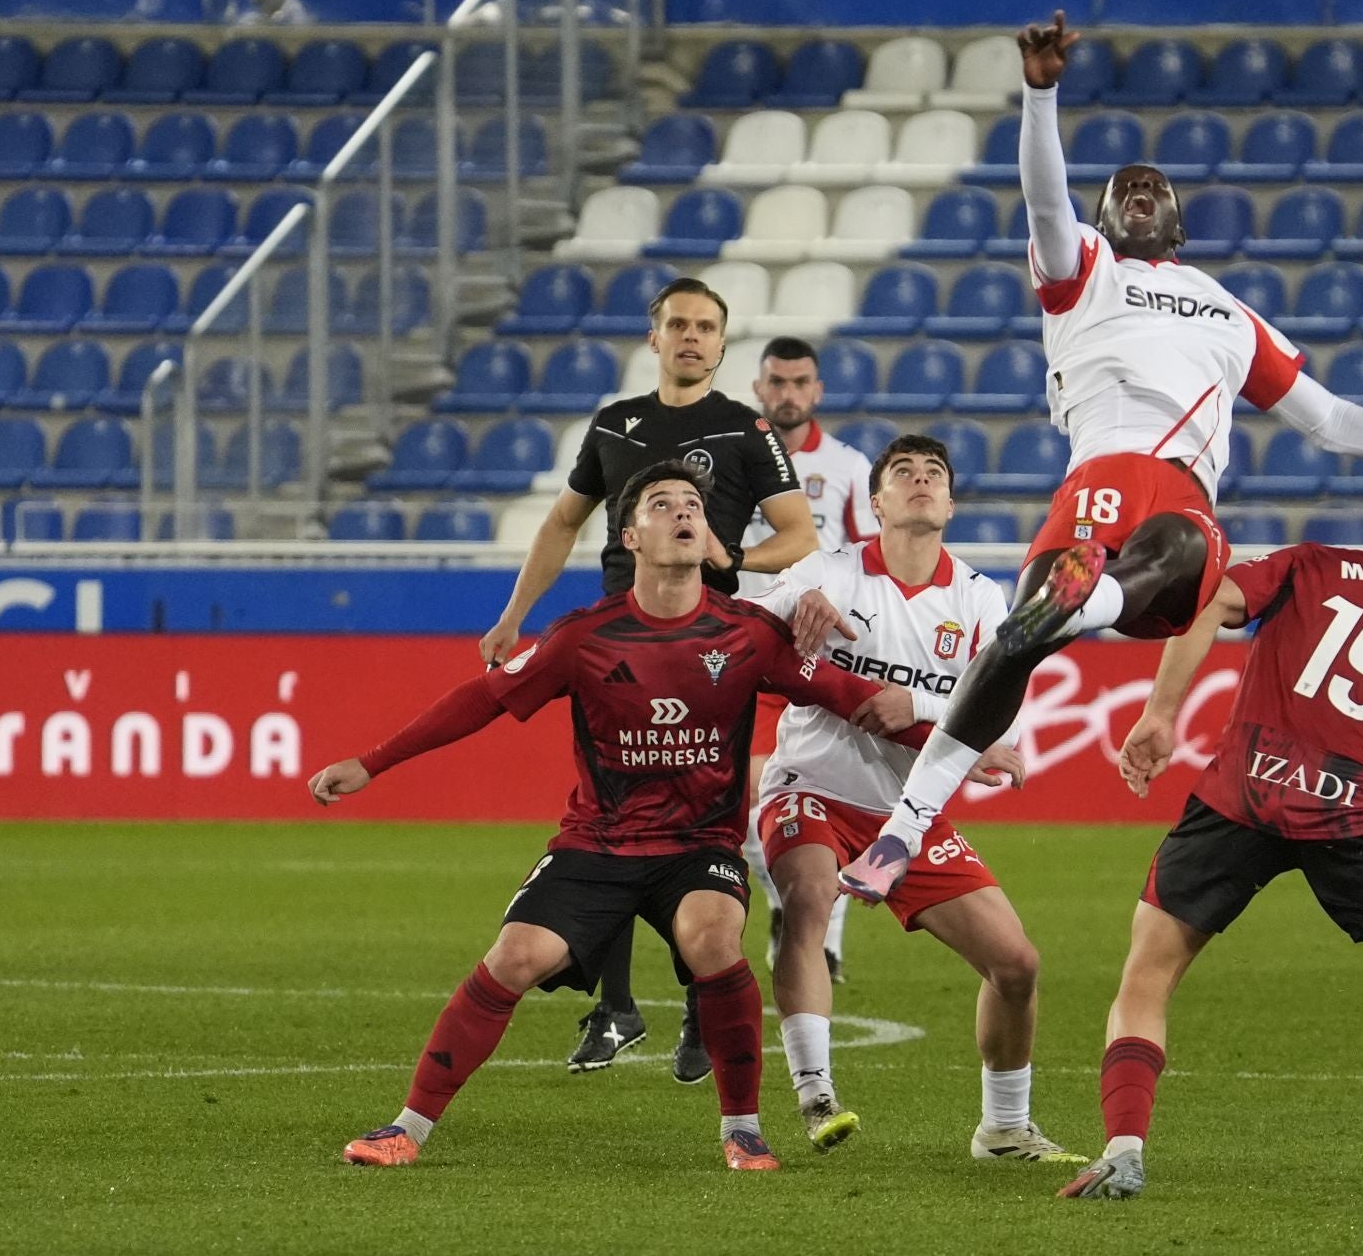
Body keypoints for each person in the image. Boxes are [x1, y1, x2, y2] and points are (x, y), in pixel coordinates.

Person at [838, 11, 1363, 904]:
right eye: (1123, 185)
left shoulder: (1229, 312)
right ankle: (904, 830)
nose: (1138, 190)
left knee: (1175, 540)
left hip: (1178, 506)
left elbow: (1325, 419)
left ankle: (1090, 599)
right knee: (1015, 641)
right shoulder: (1080, 270)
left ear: (1179, 222)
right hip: (1093, 485)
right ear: (1100, 219)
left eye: (1154, 186)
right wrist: (1040, 93)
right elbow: (1043, 197)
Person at [315, 461, 948, 1173]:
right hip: (598, 841)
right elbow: (485, 699)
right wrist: (371, 761)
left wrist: (962, 742)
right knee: (514, 956)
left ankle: (743, 1130)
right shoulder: (585, 635)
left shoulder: (747, 634)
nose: (681, 511)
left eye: (692, 505)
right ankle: (408, 1126)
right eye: (661, 503)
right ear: (631, 536)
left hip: (699, 845)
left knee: (713, 937)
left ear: (708, 536)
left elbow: (854, 697)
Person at [1057, 476, 1363, 1206]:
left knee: (1148, 974)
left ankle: (1122, 1152)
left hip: (1238, 799)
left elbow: (1213, 602)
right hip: (1359, 819)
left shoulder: (1311, 564)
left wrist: (1162, 712)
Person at [476, 277, 820, 1083]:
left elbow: (798, 533)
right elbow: (563, 521)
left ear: (722, 345)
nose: (692, 336)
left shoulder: (743, 428)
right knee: (612, 814)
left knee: (702, 815)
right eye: (679, 324)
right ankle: (617, 1007)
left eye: (706, 326)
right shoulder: (615, 423)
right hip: (615, 644)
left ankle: (701, 1003)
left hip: (707, 645)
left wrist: (735, 563)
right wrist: (513, 614)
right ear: (654, 336)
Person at [748, 434, 1083, 1163]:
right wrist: (789, 604)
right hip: (811, 784)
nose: (921, 481)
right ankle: (816, 1092)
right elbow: (754, 639)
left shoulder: (977, 595)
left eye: (935, 473)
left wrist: (919, 703)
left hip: (908, 812)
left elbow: (1003, 713)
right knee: (808, 898)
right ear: (877, 502)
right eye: (903, 472)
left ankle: (1002, 1128)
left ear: (953, 501)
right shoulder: (831, 572)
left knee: (1017, 963)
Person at [735, 336, 878, 987]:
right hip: (737, 645)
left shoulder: (848, 468)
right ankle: (780, 904)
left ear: (817, 390)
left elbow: (873, 563)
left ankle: (826, 939)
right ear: (759, 388)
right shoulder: (731, 463)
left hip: (814, 653)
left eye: (800, 382)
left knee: (822, 793)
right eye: (777, 381)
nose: (788, 393)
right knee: (743, 792)